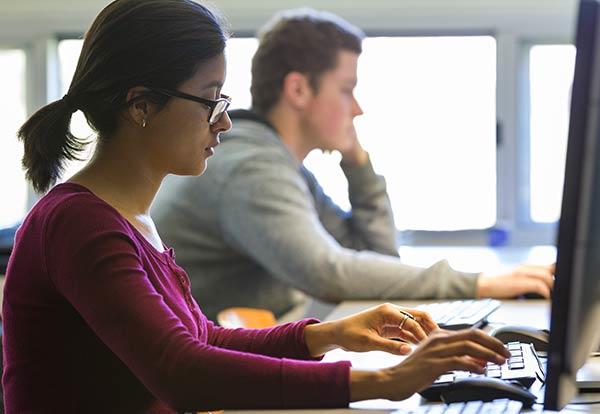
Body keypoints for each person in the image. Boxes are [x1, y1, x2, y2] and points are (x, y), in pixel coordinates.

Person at [3, 1, 512, 413]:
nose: (223, 123)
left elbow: (201, 338)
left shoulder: (126, 219)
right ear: (141, 106)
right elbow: (183, 372)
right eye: (210, 100)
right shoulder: (79, 224)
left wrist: (331, 336)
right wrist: (385, 381)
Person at [152, 8, 555, 321]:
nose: (357, 109)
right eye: (347, 90)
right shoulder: (248, 166)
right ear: (298, 89)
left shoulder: (278, 163)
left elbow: (375, 255)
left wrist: (357, 163)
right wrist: (478, 284)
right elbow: (329, 273)